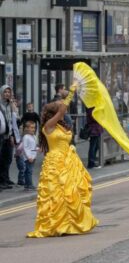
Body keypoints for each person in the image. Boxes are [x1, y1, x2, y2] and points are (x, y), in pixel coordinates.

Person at [29, 97, 99, 238]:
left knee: (72, 192)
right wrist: (72, 92)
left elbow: (62, 114)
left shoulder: (61, 125)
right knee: (57, 193)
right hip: (55, 162)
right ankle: (57, 223)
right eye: (59, 106)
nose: (63, 107)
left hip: (68, 160)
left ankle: (71, 223)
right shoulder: (48, 125)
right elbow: (61, 112)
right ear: (54, 112)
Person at [0, 85, 18, 189]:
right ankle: (1, 181)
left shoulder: (9, 105)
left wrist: (11, 135)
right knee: (1, 159)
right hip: (1, 135)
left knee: (8, 158)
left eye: (9, 92)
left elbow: (14, 117)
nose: (7, 94)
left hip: (8, 135)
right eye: (5, 92)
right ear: (1, 93)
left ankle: (6, 178)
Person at [16, 120, 38, 190]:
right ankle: (29, 184)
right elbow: (25, 148)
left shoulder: (34, 136)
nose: (33, 129)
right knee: (29, 171)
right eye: (31, 128)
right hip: (29, 158)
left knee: (28, 171)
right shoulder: (26, 137)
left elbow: (34, 146)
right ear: (27, 128)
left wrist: (38, 149)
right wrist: (29, 157)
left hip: (33, 157)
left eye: (34, 128)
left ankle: (27, 184)